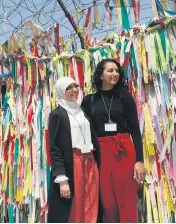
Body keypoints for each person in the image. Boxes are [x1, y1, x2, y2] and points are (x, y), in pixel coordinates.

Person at [81, 58, 145, 223]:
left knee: (127, 199)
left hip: (123, 150)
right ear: (100, 75)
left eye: (117, 71)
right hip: (100, 153)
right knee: (107, 201)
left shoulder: (125, 98)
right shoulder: (89, 101)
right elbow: (83, 131)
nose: (114, 74)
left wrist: (139, 161)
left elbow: (135, 131)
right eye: (110, 70)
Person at [47, 77, 101, 223]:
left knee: (91, 203)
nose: (74, 90)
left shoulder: (82, 111)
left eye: (76, 86)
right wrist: (62, 178)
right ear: (61, 91)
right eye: (69, 88)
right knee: (74, 206)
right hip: (73, 164)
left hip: (90, 162)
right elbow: (54, 147)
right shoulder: (57, 115)